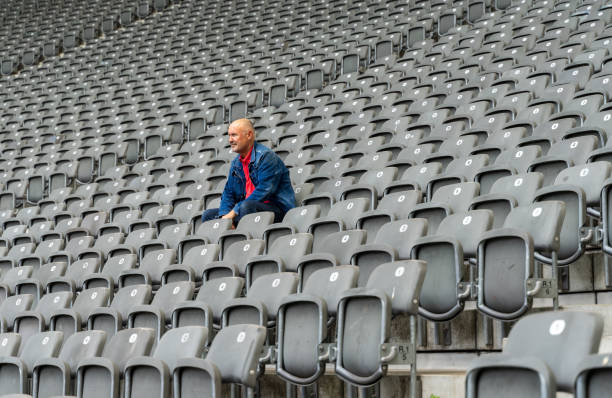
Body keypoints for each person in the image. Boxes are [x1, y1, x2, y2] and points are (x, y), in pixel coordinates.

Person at [201, 118, 296, 227]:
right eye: (229, 135)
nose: (230, 140)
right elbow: (228, 193)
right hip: (247, 209)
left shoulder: (266, 157)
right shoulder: (236, 163)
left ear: (249, 135)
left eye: (234, 135)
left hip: (278, 211)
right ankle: (231, 238)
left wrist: (234, 212)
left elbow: (264, 190)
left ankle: (244, 239)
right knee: (208, 215)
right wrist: (225, 217)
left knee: (246, 206)